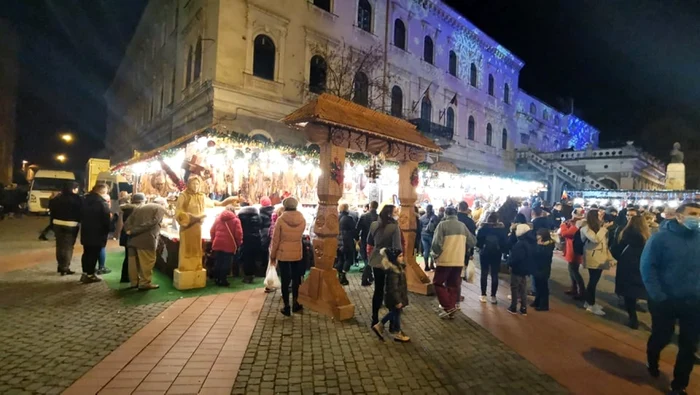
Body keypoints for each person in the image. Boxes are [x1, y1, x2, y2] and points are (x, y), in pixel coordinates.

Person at [641, 202, 700, 395]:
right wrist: (658, 295)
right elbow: (648, 267)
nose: (697, 218)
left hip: (693, 301)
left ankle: (679, 385)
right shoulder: (660, 238)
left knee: (689, 345)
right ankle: (652, 358)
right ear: (679, 216)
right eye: (693, 214)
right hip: (665, 300)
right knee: (662, 336)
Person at [431, 207, 472, 318]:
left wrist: (436, 254)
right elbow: (473, 241)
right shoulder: (462, 226)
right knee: (453, 285)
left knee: (438, 283)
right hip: (458, 260)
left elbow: (436, 244)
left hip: (445, 260)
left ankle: (448, 306)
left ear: (445, 214)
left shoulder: (442, 225)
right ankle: (451, 308)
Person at [269, 197, 307, 316]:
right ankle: (296, 303)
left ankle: (286, 306)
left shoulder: (281, 220)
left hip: (283, 253)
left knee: (285, 280)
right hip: (297, 252)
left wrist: (273, 255)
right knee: (296, 279)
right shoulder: (302, 219)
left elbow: (276, 240)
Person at [367, 204, 403, 327]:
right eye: (395, 212)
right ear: (390, 214)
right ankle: (392, 322)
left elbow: (369, 241)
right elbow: (397, 247)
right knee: (391, 291)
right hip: (388, 262)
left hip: (376, 260)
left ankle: (374, 318)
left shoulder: (374, 225)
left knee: (378, 290)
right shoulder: (394, 227)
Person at [612, 215, 649, 329]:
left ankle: (633, 319)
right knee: (641, 290)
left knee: (628, 293)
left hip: (627, 265)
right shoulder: (647, 236)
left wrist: (621, 258)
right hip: (642, 265)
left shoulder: (625, 234)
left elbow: (615, 249)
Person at [124, 197, 168, 290]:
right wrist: (134, 231)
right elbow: (152, 223)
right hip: (147, 240)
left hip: (132, 240)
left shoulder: (140, 207)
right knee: (147, 262)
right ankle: (144, 283)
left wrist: (129, 231)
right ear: (163, 204)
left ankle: (134, 282)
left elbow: (128, 221)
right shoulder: (160, 208)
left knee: (133, 263)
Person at [371, 248, 410, 342]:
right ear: (394, 258)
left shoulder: (398, 268)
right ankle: (385, 327)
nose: (402, 258)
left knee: (396, 313)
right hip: (394, 298)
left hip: (397, 296)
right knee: (394, 312)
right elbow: (393, 288)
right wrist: (397, 300)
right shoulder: (393, 272)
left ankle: (395, 330)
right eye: (400, 256)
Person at [580, 209, 614, 316]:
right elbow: (595, 239)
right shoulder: (586, 228)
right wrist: (604, 228)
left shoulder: (598, 228)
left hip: (600, 258)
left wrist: (610, 258)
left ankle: (589, 302)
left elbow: (604, 245)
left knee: (593, 281)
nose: (602, 217)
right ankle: (591, 304)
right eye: (599, 215)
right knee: (593, 282)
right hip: (593, 258)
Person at [79, 184, 111, 283]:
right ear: (103, 192)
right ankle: (90, 274)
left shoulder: (84, 200)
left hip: (86, 231)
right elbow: (106, 221)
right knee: (93, 254)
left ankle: (85, 273)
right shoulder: (102, 203)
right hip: (98, 233)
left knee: (86, 253)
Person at [49, 182, 82, 275]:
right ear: (73, 189)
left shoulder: (57, 198)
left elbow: (51, 209)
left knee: (59, 245)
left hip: (57, 223)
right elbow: (81, 211)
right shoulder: (77, 199)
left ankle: (60, 265)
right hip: (71, 224)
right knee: (68, 246)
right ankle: (65, 267)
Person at [476, 213, 508, 304]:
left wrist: (481, 247)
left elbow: (478, 242)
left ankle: (483, 295)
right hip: (496, 254)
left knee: (484, 273)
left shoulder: (483, 229)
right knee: (495, 274)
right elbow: (505, 243)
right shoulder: (501, 230)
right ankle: (493, 296)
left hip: (484, 253)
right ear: (497, 220)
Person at [210, 205, 243, 286]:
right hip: (229, 245)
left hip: (218, 243)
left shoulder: (218, 219)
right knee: (226, 262)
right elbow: (238, 234)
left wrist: (214, 240)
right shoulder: (236, 220)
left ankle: (217, 279)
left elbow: (212, 231)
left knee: (218, 261)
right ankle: (223, 280)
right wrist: (238, 243)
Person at [507, 224, 536, 315]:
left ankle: (513, 307)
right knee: (523, 288)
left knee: (515, 287)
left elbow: (515, 258)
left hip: (517, 268)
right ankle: (523, 308)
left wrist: (509, 263)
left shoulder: (520, 244)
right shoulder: (531, 242)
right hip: (526, 268)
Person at [118, 193, 145, 283]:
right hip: (131, 235)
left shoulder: (128, 209)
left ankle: (126, 276)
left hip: (127, 235)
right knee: (131, 257)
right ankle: (127, 277)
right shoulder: (135, 210)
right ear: (141, 201)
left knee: (129, 256)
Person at [559, 214, 585, 300]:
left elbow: (564, 233)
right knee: (572, 270)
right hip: (573, 251)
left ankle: (581, 291)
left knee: (574, 271)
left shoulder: (576, 228)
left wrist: (563, 225)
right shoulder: (577, 227)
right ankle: (574, 288)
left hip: (573, 252)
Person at [238, 204, 263, 284]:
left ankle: (247, 276)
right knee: (253, 257)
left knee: (246, 258)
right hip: (256, 239)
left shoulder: (241, 218)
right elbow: (260, 226)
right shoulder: (258, 217)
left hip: (245, 239)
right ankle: (252, 274)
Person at [532, 229, 555, 311]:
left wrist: (539, 245)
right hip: (537, 267)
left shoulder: (548, 245)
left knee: (543, 287)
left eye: (539, 235)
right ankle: (537, 301)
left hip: (543, 268)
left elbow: (541, 254)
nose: (537, 237)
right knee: (537, 285)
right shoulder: (541, 244)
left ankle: (544, 305)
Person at [357, 201, 379, 286]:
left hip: (365, 240)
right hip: (376, 240)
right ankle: (370, 275)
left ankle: (367, 276)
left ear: (370, 206)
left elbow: (358, 228)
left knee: (366, 258)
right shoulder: (379, 217)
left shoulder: (364, 216)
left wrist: (356, 238)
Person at [336, 203, 357, 286]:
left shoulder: (336, 217)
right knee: (348, 258)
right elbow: (354, 230)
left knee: (340, 258)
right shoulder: (349, 218)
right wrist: (357, 239)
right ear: (347, 209)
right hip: (347, 241)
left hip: (338, 241)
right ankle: (343, 275)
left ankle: (339, 275)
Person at [419, 205, 439, 271]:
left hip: (423, 235)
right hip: (432, 235)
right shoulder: (435, 217)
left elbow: (420, 227)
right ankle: (431, 265)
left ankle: (426, 266)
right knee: (432, 250)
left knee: (426, 250)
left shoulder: (422, 217)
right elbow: (437, 227)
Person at [258, 196, 275, 274]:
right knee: (272, 251)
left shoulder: (261, 213)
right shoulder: (275, 212)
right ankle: (272, 269)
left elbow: (260, 225)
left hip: (264, 234)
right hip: (273, 232)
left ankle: (263, 270)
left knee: (264, 251)